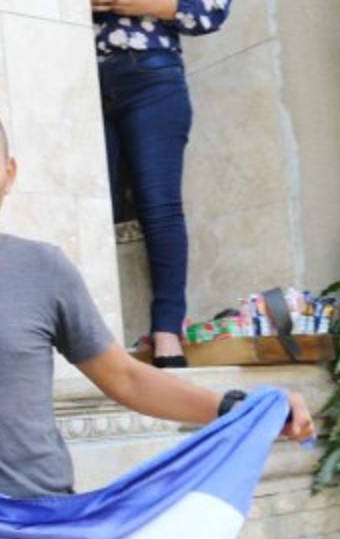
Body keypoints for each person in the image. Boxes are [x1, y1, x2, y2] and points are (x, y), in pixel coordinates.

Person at [0, 99, 313, 500]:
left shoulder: (44, 268)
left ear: (9, 174)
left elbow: (125, 377)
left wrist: (237, 407)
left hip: (40, 515)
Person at [93, 0, 232, 367]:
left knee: (159, 206)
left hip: (151, 75)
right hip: (77, 74)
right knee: (88, 207)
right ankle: (90, 336)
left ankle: (167, 333)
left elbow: (210, 11)